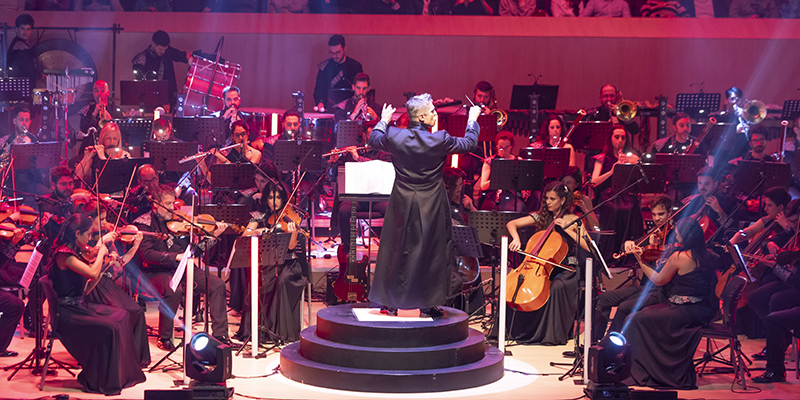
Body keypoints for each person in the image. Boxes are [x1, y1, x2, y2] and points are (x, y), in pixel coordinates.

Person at [367, 94, 480, 316]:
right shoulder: (440, 139)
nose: (436, 115)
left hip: (402, 200)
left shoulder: (395, 136)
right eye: (432, 112)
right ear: (421, 116)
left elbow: (373, 139)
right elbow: (470, 143)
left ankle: (391, 302)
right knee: (433, 252)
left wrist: (384, 119)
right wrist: (472, 120)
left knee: (397, 249)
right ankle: (428, 304)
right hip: (432, 203)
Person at [48, 213, 146, 395]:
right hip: (67, 312)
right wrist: (101, 251)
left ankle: (120, 375)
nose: (89, 240)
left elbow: (87, 286)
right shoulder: (64, 255)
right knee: (109, 327)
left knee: (122, 315)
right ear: (77, 234)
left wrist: (105, 266)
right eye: (87, 235)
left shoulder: (76, 252)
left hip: (79, 304)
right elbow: (91, 273)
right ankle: (98, 378)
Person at [622, 218, 717, 389]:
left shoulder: (679, 257)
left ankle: (644, 370)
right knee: (645, 315)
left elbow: (658, 280)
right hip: (702, 310)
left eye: (678, 232)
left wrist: (640, 260)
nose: (676, 234)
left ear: (685, 235)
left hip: (683, 311)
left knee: (635, 319)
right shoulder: (708, 255)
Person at [134, 185, 229, 349]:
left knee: (217, 284)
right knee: (173, 289)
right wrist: (175, 257)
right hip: (154, 272)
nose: (173, 208)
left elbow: (193, 252)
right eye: (168, 204)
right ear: (156, 203)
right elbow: (147, 255)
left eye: (173, 203)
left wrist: (212, 237)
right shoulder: (144, 223)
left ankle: (220, 335)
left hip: (181, 269)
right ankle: (164, 337)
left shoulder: (179, 222)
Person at [505, 181, 591, 345]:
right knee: (514, 286)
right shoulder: (541, 217)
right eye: (546, 199)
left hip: (565, 268)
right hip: (540, 266)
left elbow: (588, 244)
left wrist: (568, 230)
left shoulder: (573, 219)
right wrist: (516, 237)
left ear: (563, 199)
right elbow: (512, 223)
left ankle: (550, 334)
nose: (548, 202)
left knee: (556, 287)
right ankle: (519, 330)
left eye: (552, 199)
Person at [77, 200, 150, 368]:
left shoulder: (107, 238)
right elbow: (90, 265)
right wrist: (101, 242)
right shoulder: (83, 241)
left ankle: (135, 358)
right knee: (126, 311)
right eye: (101, 219)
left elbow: (119, 264)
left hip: (107, 285)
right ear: (89, 219)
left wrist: (135, 246)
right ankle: (119, 356)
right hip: (94, 287)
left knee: (137, 310)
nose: (106, 223)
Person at [593, 193, 673, 342]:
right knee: (604, 298)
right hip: (645, 287)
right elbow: (632, 244)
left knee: (624, 307)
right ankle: (593, 343)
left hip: (662, 290)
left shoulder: (675, 235)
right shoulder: (654, 233)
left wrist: (651, 252)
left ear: (670, 213)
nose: (657, 218)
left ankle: (608, 346)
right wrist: (628, 244)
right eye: (654, 214)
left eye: (661, 214)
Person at [234, 181, 307, 343]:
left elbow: (291, 246)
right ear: (266, 198)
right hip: (267, 262)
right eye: (271, 197)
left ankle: (280, 332)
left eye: (279, 198)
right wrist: (262, 231)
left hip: (288, 264)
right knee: (257, 281)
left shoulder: (291, 217)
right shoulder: (259, 215)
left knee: (281, 281)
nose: (275, 202)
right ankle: (259, 329)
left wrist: (293, 233)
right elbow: (245, 234)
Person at [591, 125, 643, 258]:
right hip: (608, 195)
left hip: (626, 193)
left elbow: (640, 179)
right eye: (616, 137)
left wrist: (629, 164)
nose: (620, 140)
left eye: (623, 138)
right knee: (614, 208)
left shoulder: (632, 157)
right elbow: (594, 182)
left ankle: (629, 253)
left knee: (631, 206)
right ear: (610, 139)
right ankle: (610, 252)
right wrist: (611, 172)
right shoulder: (602, 157)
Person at [750, 249, 800, 383]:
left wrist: (775, 267)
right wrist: (778, 256)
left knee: (776, 304)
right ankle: (780, 337)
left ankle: (775, 371)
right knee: (756, 297)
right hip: (794, 282)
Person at [131, 30, 193, 111]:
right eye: (160, 49)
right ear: (153, 44)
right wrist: (161, 99)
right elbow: (145, 85)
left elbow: (181, 56)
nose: (163, 52)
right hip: (150, 103)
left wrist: (190, 58)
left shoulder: (168, 52)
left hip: (169, 99)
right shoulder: (141, 60)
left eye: (165, 49)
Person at [677, 166, 734, 244]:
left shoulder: (727, 201)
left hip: (717, 246)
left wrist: (719, 210)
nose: (702, 187)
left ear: (715, 184)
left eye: (706, 184)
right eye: (700, 183)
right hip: (695, 245)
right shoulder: (695, 201)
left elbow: (731, 228)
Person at [477, 131, 526, 212]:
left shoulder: (518, 161)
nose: (503, 151)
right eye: (500, 148)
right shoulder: (489, 161)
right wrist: (497, 178)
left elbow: (524, 186)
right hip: (493, 197)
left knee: (518, 208)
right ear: (496, 147)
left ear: (512, 146)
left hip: (513, 197)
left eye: (507, 147)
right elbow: (483, 186)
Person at [313, 35, 363, 113]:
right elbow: (318, 89)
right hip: (328, 110)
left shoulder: (355, 66)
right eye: (332, 53)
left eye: (338, 52)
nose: (335, 56)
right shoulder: (324, 67)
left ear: (344, 48)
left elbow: (360, 89)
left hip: (351, 110)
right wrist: (320, 102)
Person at [77, 80, 113, 152]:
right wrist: (94, 113)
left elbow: (120, 133)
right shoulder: (86, 109)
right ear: (93, 93)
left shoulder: (115, 110)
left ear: (108, 93)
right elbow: (84, 130)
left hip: (109, 149)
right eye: (96, 91)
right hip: (90, 147)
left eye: (102, 90)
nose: (99, 94)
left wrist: (110, 119)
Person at [7, 14, 39, 86]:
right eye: (22, 29)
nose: (26, 33)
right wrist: (43, 77)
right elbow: (30, 70)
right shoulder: (20, 47)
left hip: (19, 87)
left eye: (28, 29)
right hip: (20, 89)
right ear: (17, 29)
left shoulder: (17, 43)